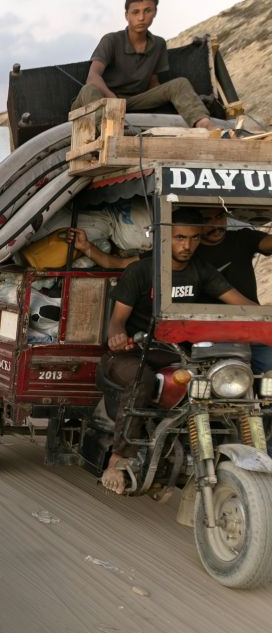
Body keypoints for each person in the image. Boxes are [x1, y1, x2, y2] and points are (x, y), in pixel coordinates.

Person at [100, 208, 255, 494]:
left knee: (222, 381)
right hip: (129, 354)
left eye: (194, 238)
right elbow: (116, 321)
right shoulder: (141, 271)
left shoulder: (201, 270)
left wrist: (265, 316)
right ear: (164, 238)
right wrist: (117, 337)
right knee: (142, 380)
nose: (187, 245)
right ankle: (118, 458)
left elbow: (241, 304)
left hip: (174, 354)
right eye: (180, 237)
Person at [71, 0, 219, 131]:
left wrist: (169, 98)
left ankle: (203, 123)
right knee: (90, 89)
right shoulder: (111, 40)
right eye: (135, 12)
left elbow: (153, 82)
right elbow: (93, 76)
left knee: (179, 84)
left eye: (147, 11)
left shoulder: (158, 44)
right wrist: (112, 99)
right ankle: (106, 130)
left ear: (155, 12)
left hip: (132, 102)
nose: (141, 17)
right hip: (102, 99)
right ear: (126, 15)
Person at [196, 206, 272, 373]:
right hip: (210, 330)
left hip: (252, 324)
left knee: (268, 374)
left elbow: (267, 244)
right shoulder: (187, 251)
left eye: (220, 217)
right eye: (207, 220)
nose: (216, 225)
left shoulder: (241, 238)